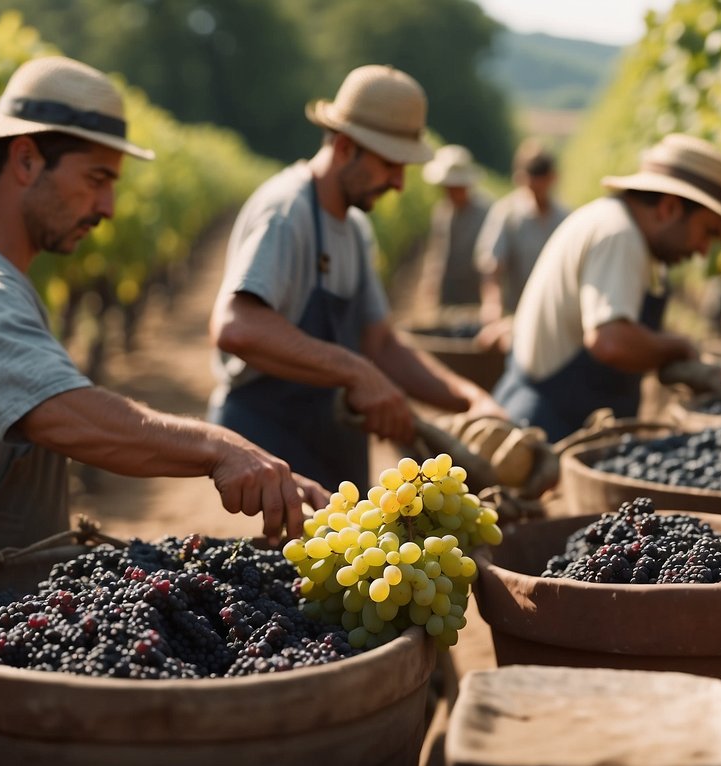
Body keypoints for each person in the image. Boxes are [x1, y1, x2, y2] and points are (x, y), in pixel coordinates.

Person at [0, 56, 326, 766]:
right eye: (97, 179)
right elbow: (60, 414)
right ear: (24, 159)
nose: (108, 208)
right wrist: (221, 449)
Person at [207, 65, 504, 491]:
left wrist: (470, 398)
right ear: (346, 147)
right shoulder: (287, 214)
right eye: (391, 165)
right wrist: (357, 373)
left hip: (330, 436)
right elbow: (236, 327)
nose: (400, 184)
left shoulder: (355, 228)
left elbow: (378, 342)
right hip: (267, 444)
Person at [493, 133, 721, 442]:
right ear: (669, 208)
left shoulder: (616, 225)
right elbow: (611, 341)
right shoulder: (620, 235)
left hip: (556, 419)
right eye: (707, 231)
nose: (703, 250)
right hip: (546, 431)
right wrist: (679, 346)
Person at [473, 137, 568, 348]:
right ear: (520, 178)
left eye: (541, 182)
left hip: (556, 320)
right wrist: (491, 305)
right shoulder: (507, 214)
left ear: (552, 178)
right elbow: (492, 267)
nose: (535, 191)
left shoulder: (565, 218)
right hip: (514, 319)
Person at [416, 144, 490, 314]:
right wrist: (430, 281)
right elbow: (437, 251)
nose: (449, 192)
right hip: (448, 293)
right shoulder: (442, 212)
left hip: (475, 296)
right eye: (446, 187)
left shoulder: (486, 214)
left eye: (455, 187)